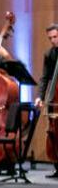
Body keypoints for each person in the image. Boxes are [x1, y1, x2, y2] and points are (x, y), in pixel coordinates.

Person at [34, 24, 58, 178]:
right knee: (54, 132)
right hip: (54, 98)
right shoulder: (50, 54)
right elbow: (45, 77)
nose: (53, 41)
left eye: (55, 37)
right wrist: (40, 96)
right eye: (50, 38)